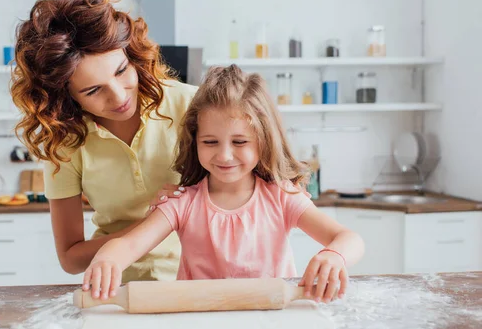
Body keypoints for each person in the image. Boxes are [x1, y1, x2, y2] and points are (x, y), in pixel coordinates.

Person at [82, 65, 365, 303]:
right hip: (200, 324)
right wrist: (108, 257)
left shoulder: (282, 197)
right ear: (195, 141)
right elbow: (129, 246)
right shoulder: (182, 202)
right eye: (210, 142)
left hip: (271, 322)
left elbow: (350, 239)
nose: (224, 155)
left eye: (240, 142)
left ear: (263, 140)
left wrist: (334, 255)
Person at [10, 0, 196, 283]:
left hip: (200, 281)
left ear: (131, 55)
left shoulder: (192, 106)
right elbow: (71, 259)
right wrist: (156, 223)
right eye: (93, 91)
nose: (119, 96)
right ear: (64, 97)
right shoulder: (65, 142)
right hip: (116, 290)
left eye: (121, 71)